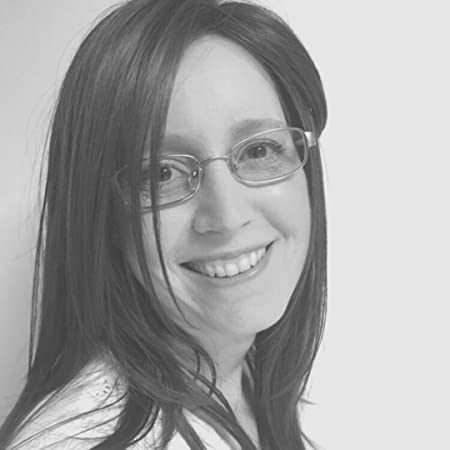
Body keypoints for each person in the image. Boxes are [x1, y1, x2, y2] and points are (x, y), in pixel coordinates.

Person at [0, 0, 328, 448]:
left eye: (258, 151)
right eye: (161, 173)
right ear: (102, 216)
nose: (228, 217)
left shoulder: (247, 383)